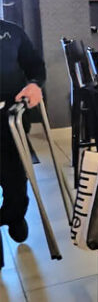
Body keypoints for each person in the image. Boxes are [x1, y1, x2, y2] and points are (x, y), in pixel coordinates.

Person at [0, 19, 44, 242]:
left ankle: (14, 215)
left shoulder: (12, 32)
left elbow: (35, 65)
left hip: (9, 113)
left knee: (14, 174)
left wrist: (34, 84)